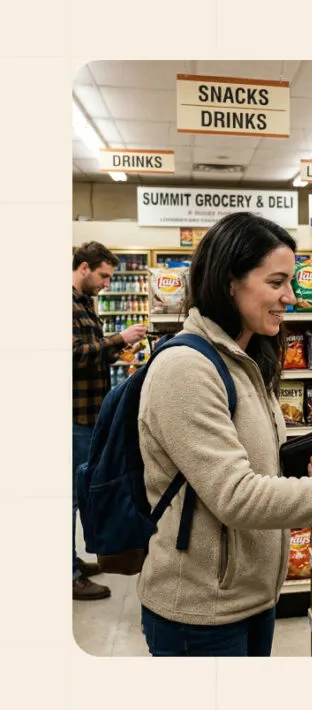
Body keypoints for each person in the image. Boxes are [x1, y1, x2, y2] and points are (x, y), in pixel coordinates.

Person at [136, 212, 312, 657]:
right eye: (276, 282)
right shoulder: (186, 369)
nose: (290, 296)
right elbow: (236, 497)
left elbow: (251, 464)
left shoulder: (247, 359)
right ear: (230, 282)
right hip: (201, 611)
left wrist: (304, 473)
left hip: (250, 596)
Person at [72, 241, 149, 600]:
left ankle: (72, 562)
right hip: (74, 416)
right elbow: (72, 355)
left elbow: (92, 353)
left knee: (81, 490)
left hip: (91, 414)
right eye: (103, 275)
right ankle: (70, 575)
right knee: (73, 495)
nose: (106, 283)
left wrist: (119, 347)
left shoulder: (86, 304)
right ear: (84, 268)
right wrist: (119, 336)